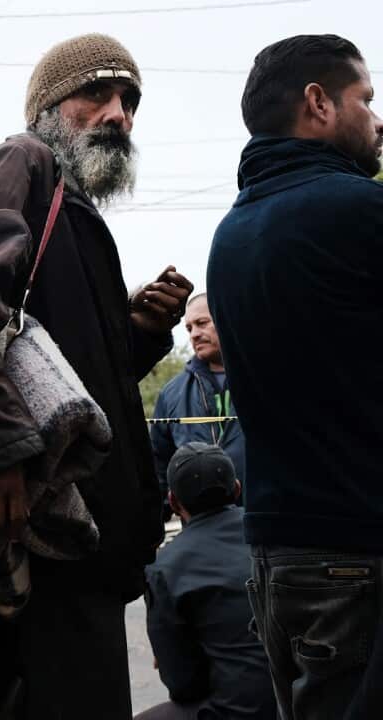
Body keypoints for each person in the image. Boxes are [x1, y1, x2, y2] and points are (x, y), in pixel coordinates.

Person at [0, 34, 193, 718]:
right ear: (48, 108)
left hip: (77, 546)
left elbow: (73, 381)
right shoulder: (20, 163)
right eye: (97, 94)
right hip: (41, 535)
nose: (118, 114)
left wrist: (138, 332)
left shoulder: (69, 204)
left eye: (129, 101)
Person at [207, 34, 383, 720]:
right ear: (319, 103)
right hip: (359, 551)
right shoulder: (356, 211)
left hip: (278, 556)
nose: (377, 121)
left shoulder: (233, 231)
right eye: (365, 100)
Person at [137, 443, 276, 720]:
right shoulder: (274, 535)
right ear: (237, 489)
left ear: (174, 502)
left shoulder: (165, 569)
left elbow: (183, 685)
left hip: (238, 711)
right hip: (304, 701)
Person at [149, 293, 246, 507]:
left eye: (202, 323)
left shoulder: (262, 377)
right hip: (201, 521)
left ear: (225, 318)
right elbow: (158, 464)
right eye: (189, 328)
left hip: (264, 517)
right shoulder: (171, 394)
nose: (194, 334)